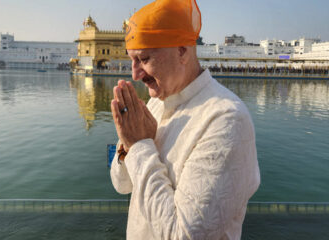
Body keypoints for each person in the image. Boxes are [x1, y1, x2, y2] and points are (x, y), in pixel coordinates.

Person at [110, 0, 260, 239]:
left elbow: (183, 235)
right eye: (132, 60)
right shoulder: (157, 102)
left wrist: (139, 146)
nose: (135, 74)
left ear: (182, 51)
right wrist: (127, 143)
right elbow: (122, 185)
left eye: (144, 59)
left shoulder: (226, 120)